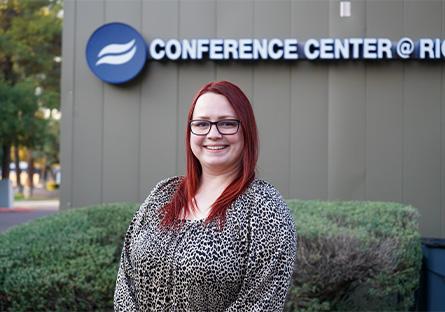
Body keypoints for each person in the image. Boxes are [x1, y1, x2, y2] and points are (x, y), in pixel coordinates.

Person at [114, 80, 297, 311]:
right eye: (201, 124)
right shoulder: (163, 194)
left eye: (227, 123)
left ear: (246, 131)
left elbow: (260, 304)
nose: (213, 134)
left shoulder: (264, 206)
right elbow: (126, 279)